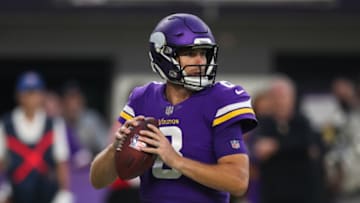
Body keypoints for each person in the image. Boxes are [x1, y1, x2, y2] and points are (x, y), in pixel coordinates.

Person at [90, 13, 258, 203]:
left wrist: (176, 160)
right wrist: (115, 148)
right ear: (164, 55)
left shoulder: (221, 99)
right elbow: (97, 180)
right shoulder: (142, 99)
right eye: (190, 53)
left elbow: (238, 181)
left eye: (203, 53)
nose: (200, 61)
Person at [0, 71, 73, 203]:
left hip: (47, 191)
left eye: (35, 93)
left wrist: (64, 191)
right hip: (17, 191)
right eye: (27, 93)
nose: (31, 98)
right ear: (19, 95)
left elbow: (61, 162)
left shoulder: (54, 123)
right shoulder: (6, 124)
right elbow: (2, 161)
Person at [252, 75, 325, 203]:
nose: (279, 101)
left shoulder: (303, 122)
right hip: (273, 193)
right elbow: (259, 150)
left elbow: (311, 148)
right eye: (275, 97)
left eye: (283, 96)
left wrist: (277, 146)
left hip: (303, 192)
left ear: (293, 97)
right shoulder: (264, 124)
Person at [325, 77, 360, 203]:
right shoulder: (333, 118)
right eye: (338, 92)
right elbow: (329, 147)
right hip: (342, 189)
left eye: (345, 91)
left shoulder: (356, 117)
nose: (342, 95)